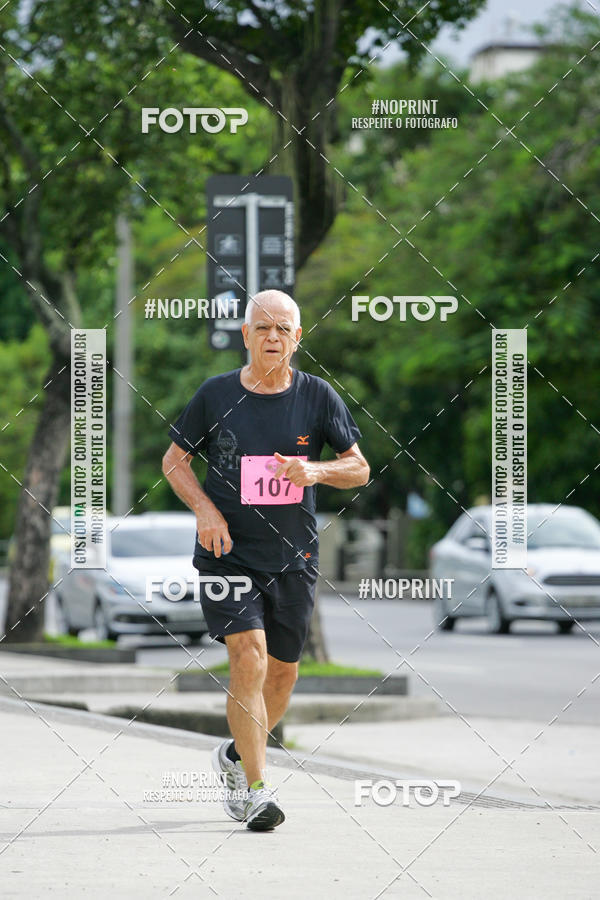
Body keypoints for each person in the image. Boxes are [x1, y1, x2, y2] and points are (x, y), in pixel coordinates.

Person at [162, 289, 369, 831]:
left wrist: (316, 472)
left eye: (283, 329)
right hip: (227, 555)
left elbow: (360, 468)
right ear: (246, 335)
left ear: (298, 338)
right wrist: (206, 511)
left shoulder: (319, 397)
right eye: (262, 328)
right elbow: (174, 460)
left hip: (293, 558)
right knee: (248, 660)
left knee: (282, 676)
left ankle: (234, 756)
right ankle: (256, 792)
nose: (272, 337)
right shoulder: (215, 395)